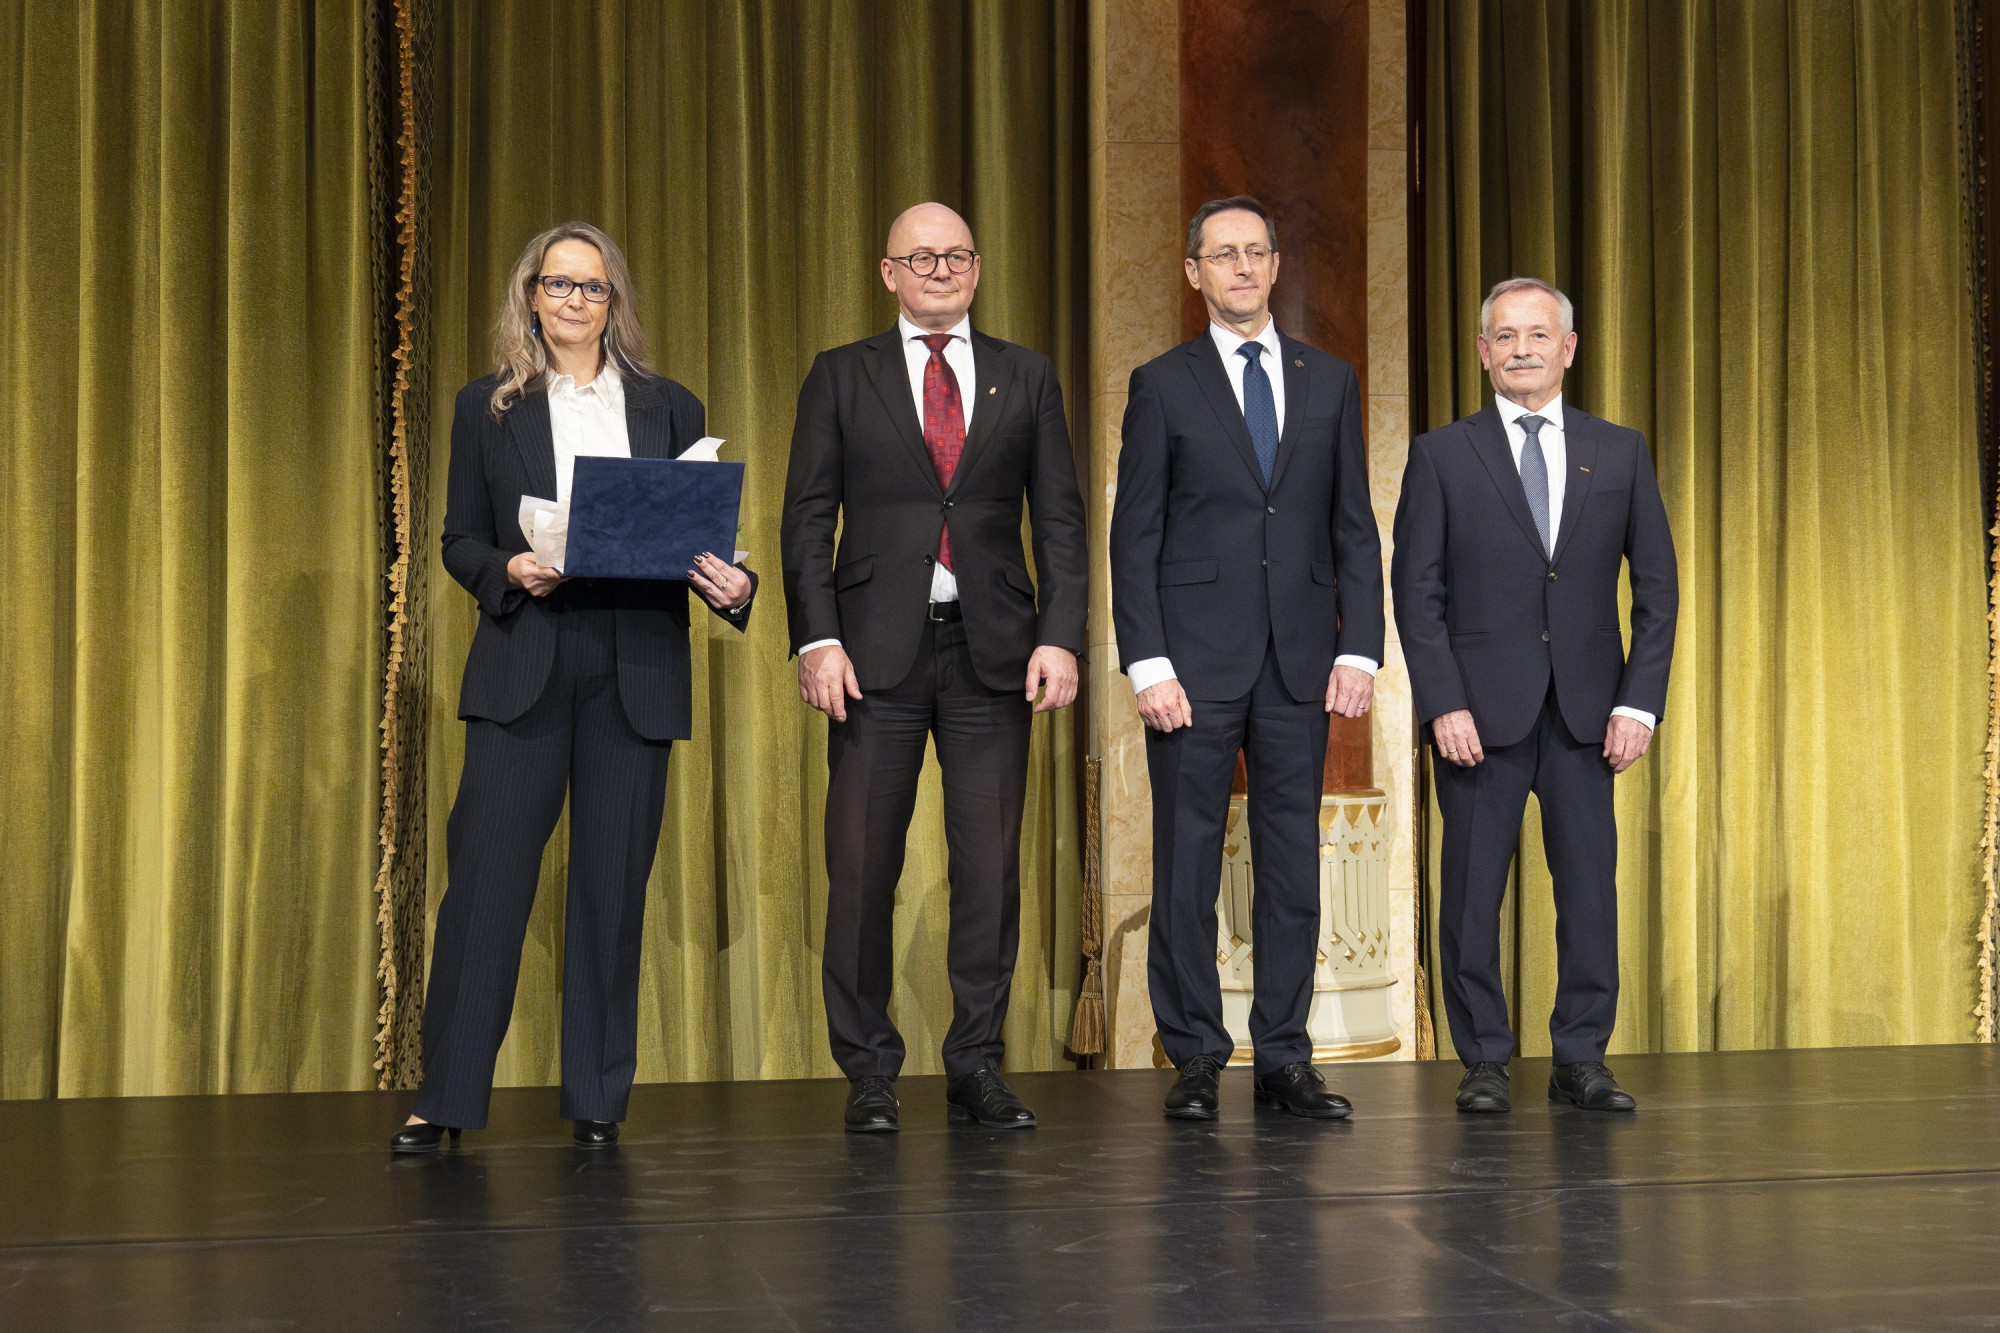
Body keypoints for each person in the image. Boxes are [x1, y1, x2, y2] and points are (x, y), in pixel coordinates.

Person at [391, 221, 755, 1153]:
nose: (574, 301)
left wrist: (735, 585)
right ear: (530, 295)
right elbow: (459, 540)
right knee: (485, 885)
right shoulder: (488, 407)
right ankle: (446, 1097)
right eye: (557, 284)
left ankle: (597, 1096)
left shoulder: (671, 407)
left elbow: (701, 536)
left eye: (592, 287)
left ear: (613, 301)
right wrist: (509, 569)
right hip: (528, 659)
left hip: (635, 668)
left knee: (611, 892)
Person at [781, 202, 1087, 1133]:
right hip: (871, 658)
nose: (941, 270)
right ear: (889, 273)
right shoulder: (842, 374)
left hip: (994, 654)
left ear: (978, 268)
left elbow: (1060, 520)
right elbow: (807, 519)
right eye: (922, 257)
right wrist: (817, 639)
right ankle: (869, 1069)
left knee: (989, 871)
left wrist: (1061, 634)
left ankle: (976, 1063)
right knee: (861, 868)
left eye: (956, 255)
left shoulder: (1026, 374)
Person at [1109, 195, 1384, 1122]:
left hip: (1299, 661)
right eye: (1223, 254)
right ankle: (1193, 1053)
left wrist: (1359, 646)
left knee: (1291, 864)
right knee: (1187, 862)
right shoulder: (1162, 384)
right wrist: (1147, 662)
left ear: (1274, 265)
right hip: (1189, 667)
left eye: (1256, 252)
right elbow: (1134, 534)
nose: (1242, 267)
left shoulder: (1329, 380)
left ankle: (1284, 1056)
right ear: (1194, 272)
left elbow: (1354, 526)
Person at [1391, 276, 1677, 1114]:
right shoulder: (1442, 455)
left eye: (1538, 335)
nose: (1523, 349)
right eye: (1506, 336)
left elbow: (1657, 588)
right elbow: (1417, 592)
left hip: (1589, 715)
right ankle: (1483, 1058)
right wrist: (1443, 701)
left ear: (1569, 348)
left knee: (1589, 892)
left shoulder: (1619, 451)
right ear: (1483, 352)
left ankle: (1581, 1056)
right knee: (1471, 894)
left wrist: (1638, 703)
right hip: (1477, 718)